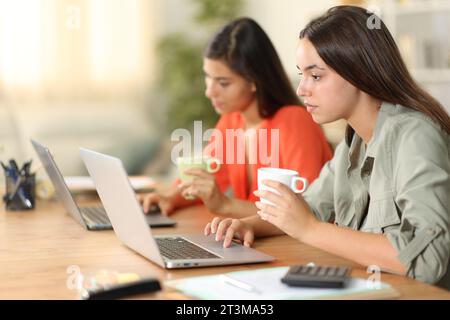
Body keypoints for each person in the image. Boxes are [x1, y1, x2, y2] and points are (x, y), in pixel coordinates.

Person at [205, 6, 450, 288]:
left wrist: (310, 229)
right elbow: (309, 207)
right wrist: (247, 225)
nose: (301, 89)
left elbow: (428, 259)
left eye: (316, 76)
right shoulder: (355, 140)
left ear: (360, 73)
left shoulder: (415, 136)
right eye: (302, 75)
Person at [139, 17, 332, 218]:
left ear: (254, 81)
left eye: (223, 83)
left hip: (295, 247)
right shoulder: (232, 122)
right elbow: (203, 179)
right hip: (255, 240)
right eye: (208, 77)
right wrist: (168, 197)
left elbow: (305, 213)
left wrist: (225, 205)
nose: (209, 92)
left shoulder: (295, 122)